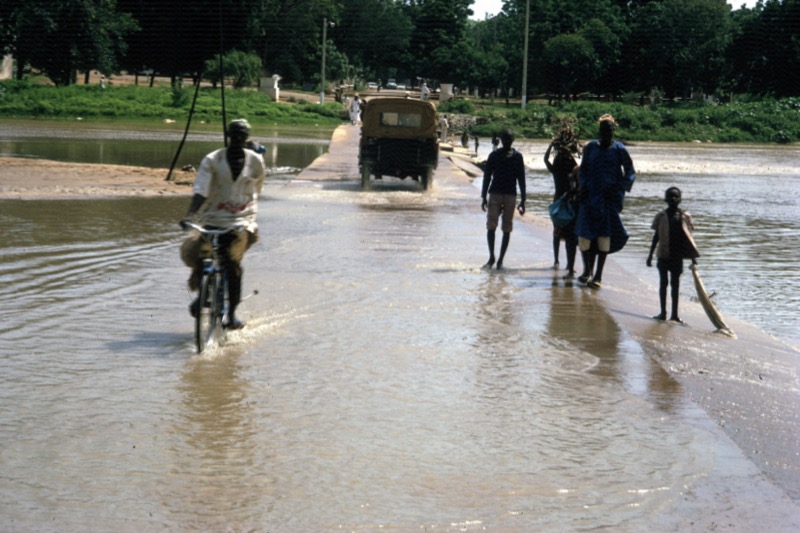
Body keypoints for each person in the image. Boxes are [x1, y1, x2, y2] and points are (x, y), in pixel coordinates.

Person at [180, 119, 265, 330]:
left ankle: (232, 315)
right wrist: (191, 215)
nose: (237, 139)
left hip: (242, 219)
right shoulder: (212, 159)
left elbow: (258, 188)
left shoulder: (255, 161)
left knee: (231, 264)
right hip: (212, 217)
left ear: (246, 138)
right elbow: (201, 190)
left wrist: (248, 210)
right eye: (233, 135)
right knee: (197, 253)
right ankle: (202, 295)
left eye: (241, 136)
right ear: (228, 136)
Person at [574, 114, 636, 289]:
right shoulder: (590, 148)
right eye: (604, 129)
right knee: (584, 237)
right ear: (599, 131)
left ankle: (598, 276)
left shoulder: (619, 149)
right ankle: (587, 271)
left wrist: (619, 188)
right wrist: (583, 186)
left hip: (608, 201)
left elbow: (630, 171)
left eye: (610, 130)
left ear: (613, 131)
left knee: (604, 238)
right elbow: (583, 170)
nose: (607, 132)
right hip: (589, 198)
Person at [647, 187, 700, 323]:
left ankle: (674, 315)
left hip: (677, 256)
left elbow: (689, 239)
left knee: (675, 285)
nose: (673, 199)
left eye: (676, 196)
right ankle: (663, 313)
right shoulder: (661, 216)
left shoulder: (684, 217)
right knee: (663, 284)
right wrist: (650, 255)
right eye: (670, 196)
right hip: (663, 255)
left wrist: (693, 258)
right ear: (665, 199)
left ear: (680, 199)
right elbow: (656, 237)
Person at [481, 128, 526, 270]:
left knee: (507, 228)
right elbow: (487, 176)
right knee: (491, 226)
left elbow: (521, 179)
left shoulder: (518, 157)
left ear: (513, 140)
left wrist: (523, 200)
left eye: (509, 139)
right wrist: (483, 196)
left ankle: (500, 259)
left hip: (510, 195)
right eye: (505, 139)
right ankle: (491, 257)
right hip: (495, 194)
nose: (507, 141)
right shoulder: (494, 155)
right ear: (501, 139)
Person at [544, 122, 582, 277]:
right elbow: (580, 170)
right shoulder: (571, 167)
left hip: (558, 199)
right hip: (570, 200)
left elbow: (546, 160)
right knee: (570, 234)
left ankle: (556, 261)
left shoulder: (556, 166)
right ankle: (569, 265)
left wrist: (550, 146)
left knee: (557, 231)